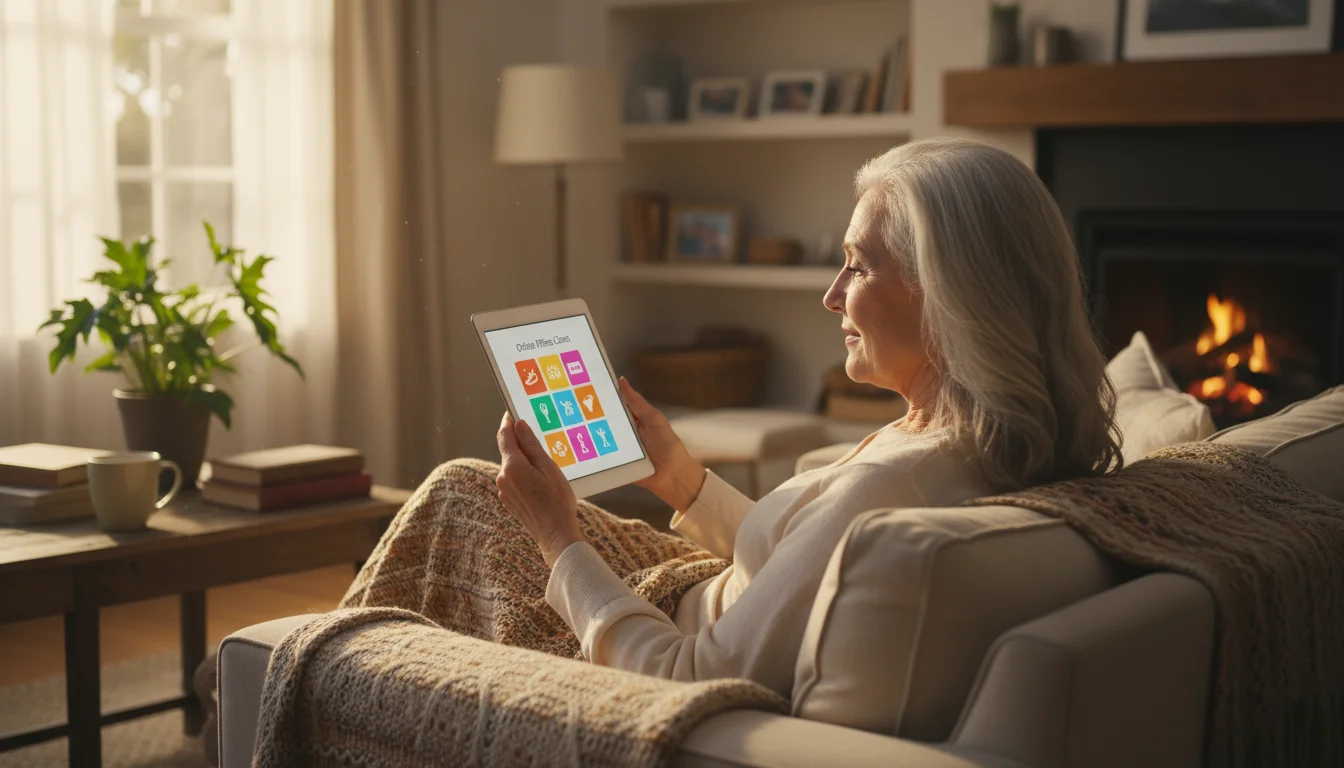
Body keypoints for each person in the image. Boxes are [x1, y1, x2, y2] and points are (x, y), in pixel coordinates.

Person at [342, 137, 1123, 699]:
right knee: (471, 495)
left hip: (635, 650)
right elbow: (805, 569)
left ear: (948, 293)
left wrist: (558, 537)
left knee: (461, 497)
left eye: (857, 265)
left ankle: (316, 685)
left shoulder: (894, 485)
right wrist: (683, 483)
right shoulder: (973, 439)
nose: (831, 295)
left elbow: (693, 679)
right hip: (685, 595)